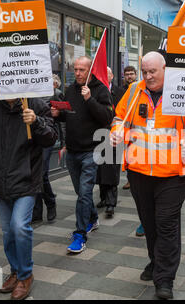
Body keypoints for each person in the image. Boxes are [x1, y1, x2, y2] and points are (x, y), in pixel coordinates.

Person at [110, 51, 185, 300]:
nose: (148, 76)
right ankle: (156, 262)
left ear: (166, 68)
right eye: (144, 71)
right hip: (139, 172)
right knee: (150, 224)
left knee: (166, 224)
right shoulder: (133, 90)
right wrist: (116, 132)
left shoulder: (184, 90)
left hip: (173, 174)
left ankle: (164, 280)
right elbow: (119, 117)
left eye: (152, 71)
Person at [0, 97, 57, 300]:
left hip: (27, 178)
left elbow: (51, 138)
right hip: (1, 179)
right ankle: (15, 270)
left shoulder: (35, 105)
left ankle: (25, 275)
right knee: (8, 231)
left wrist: (36, 122)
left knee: (19, 226)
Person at [51, 56, 113, 253]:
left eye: (81, 70)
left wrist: (89, 99)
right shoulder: (70, 90)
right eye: (75, 69)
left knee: (84, 194)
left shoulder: (100, 90)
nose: (77, 73)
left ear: (90, 71)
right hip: (72, 151)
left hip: (91, 151)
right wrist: (57, 113)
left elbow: (106, 118)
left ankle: (80, 235)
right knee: (81, 193)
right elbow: (69, 113)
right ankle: (93, 218)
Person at [32, 74, 65, 224]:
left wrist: (64, 142)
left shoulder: (57, 94)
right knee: (34, 173)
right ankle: (36, 211)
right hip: (31, 138)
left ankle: (50, 203)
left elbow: (63, 117)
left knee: (42, 173)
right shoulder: (30, 94)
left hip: (47, 135)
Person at [96, 67, 124, 218]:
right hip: (99, 135)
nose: (104, 77)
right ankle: (102, 198)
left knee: (112, 170)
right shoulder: (96, 92)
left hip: (115, 136)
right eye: (102, 75)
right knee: (100, 169)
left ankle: (110, 204)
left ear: (112, 76)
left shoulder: (120, 93)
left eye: (107, 75)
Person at [121, 65, 138, 190]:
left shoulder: (140, 89)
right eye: (127, 74)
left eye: (131, 74)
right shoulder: (120, 90)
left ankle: (135, 179)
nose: (129, 76)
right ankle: (130, 179)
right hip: (125, 129)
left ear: (136, 75)